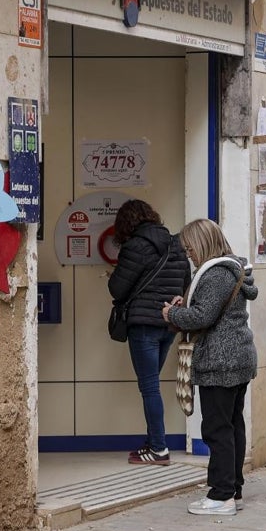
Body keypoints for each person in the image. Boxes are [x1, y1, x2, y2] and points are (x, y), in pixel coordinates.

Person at [162, 219, 258, 515]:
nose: (189, 253)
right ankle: (234, 489)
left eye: (190, 248)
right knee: (232, 426)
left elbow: (203, 317)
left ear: (203, 244)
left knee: (217, 429)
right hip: (236, 359)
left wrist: (172, 313)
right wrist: (185, 306)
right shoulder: (228, 269)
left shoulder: (215, 273)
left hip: (221, 361)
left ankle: (221, 495)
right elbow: (209, 309)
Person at [108, 200, 190, 466]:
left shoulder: (135, 246)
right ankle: (154, 441)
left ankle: (158, 448)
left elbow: (117, 289)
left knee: (149, 387)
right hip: (169, 324)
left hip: (144, 324)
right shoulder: (176, 245)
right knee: (152, 384)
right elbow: (185, 285)